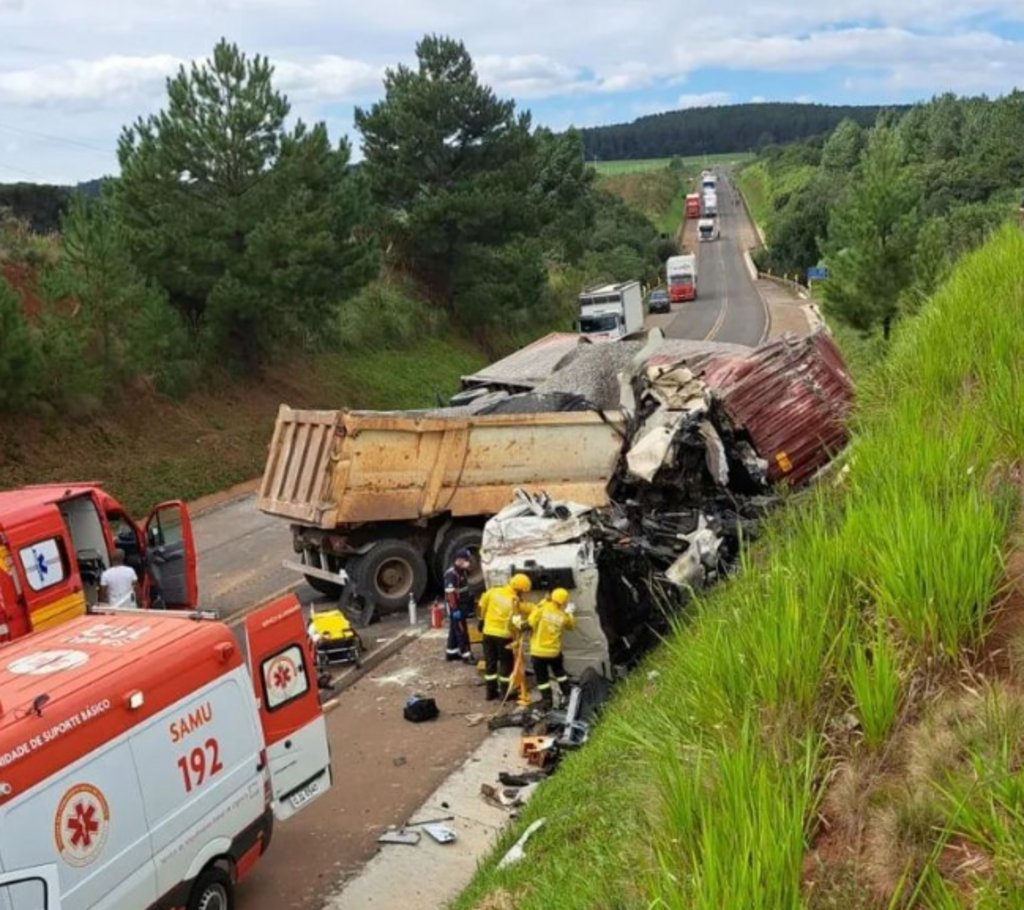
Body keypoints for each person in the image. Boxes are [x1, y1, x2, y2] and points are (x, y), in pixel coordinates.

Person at [477, 573, 532, 701]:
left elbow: (482, 606)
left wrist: (482, 620)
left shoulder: (493, 592)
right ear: (519, 589)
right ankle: (504, 693)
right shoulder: (514, 600)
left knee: (490, 663)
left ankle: (490, 692)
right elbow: (516, 620)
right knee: (505, 664)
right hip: (503, 636)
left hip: (488, 634)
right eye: (523, 592)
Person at [527, 588, 576, 709]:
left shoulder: (542, 610)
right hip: (554, 652)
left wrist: (541, 603)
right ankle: (567, 693)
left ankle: (547, 701)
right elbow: (571, 626)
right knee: (560, 673)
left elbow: (530, 622)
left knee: (542, 679)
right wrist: (569, 612)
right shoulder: (562, 615)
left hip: (538, 652)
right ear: (563, 602)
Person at [444, 549, 475, 663]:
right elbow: (450, 594)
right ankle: (466, 655)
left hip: (462, 605)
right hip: (456, 608)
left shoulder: (462, 571)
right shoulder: (452, 574)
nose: (469, 562)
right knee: (461, 631)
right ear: (460, 560)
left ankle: (451, 652)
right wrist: (455, 609)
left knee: (454, 629)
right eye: (467, 560)